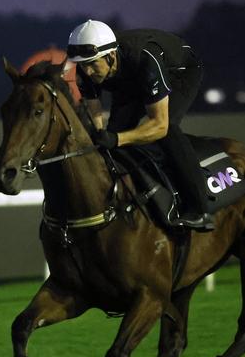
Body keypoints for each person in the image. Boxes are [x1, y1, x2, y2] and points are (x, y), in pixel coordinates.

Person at [67, 19, 214, 231]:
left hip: (178, 70)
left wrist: (117, 139)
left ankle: (200, 209)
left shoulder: (144, 59)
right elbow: (94, 113)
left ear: (110, 56)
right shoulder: (85, 67)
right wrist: (103, 136)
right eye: (82, 65)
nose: (87, 71)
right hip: (128, 78)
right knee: (112, 137)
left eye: (92, 64)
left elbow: (159, 125)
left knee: (167, 130)